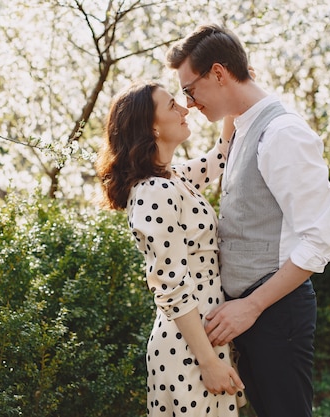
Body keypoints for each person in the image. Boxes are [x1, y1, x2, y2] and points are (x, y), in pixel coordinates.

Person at [166, 24, 330, 417]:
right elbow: (212, 158)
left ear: (217, 73)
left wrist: (252, 306)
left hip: (275, 313)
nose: (190, 103)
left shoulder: (283, 134)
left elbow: (322, 240)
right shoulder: (242, 126)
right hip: (248, 315)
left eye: (189, 90)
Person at [95, 81, 246, 416]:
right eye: (171, 106)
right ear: (151, 126)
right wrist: (207, 361)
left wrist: (233, 91)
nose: (184, 108)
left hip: (205, 338)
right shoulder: (154, 192)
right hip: (189, 349)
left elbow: (221, 155)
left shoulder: (172, 178)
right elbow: (171, 288)